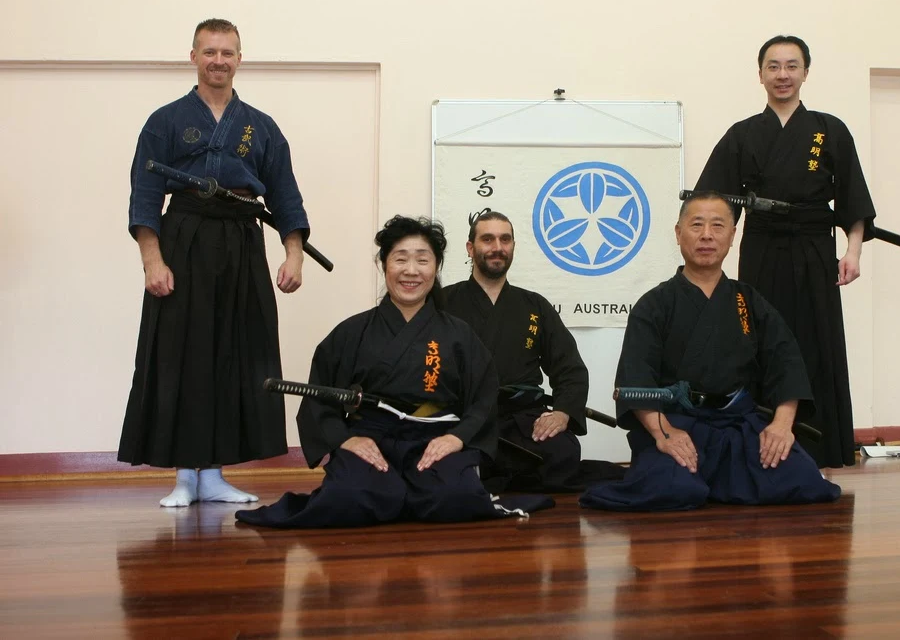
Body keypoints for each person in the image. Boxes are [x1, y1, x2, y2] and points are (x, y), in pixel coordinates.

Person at [235, 216, 553, 528]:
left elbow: (482, 398)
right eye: (400, 259)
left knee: (455, 497)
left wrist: (456, 438)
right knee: (348, 496)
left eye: (422, 260)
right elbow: (320, 398)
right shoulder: (351, 333)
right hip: (371, 436)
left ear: (436, 268)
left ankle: (404, 494)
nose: (411, 271)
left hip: (435, 436)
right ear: (384, 264)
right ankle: (399, 493)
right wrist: (346, 440)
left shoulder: (459, 335)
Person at [118, 18, 311, 507]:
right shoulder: (165, 120)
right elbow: (145, 194)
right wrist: (152, 261)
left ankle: (216, 474)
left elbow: (285, 195)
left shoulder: (261, 126)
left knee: (234, 353)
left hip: (242, 240)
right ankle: (186, 474)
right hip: (184, 238)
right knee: (182, 352)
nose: (218, 61)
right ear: (194, 57)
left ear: (240, 59)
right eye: (209, 52)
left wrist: (293, 254)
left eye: (227, 53)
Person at [579, 192, 840, 512]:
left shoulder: (748, 300)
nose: (706, 235)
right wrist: (664, 433)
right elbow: (637, 378)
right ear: (678, 233)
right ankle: (718, 481)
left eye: (717, 226)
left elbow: (786, 363)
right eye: (696, 225)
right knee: (672, 488)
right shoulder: (654, 305)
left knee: (802, 479)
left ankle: (719, 480)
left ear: (732, 236)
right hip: (677, 422)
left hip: (738, 424)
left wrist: (781, 426)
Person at [693, 35, 876, 468]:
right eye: (773, 66)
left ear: (805, 73)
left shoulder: (830, 130)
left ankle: (820, 449)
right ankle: (758, 448)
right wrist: (709, 263)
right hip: (761, 249)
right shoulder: (742, 135)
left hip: (814, 250)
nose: (782, 75)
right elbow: (715, 205)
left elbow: (852, 198)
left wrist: (852, 252)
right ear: (760, 74)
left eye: (792, 66)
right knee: (756, 341)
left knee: (816, 341)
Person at [443, 212, 626, 492]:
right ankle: (506, 476)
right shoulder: (445, 302)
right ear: (470, 248)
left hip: (520, 420)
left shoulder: (534, 305)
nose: (497, 247)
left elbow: (569, 368)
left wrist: (562, 412)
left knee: (562, 450)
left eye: (505, 239)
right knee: (442, 456)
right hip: (464, 419)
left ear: (513, 246)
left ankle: (490, 477)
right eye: (487, 239)